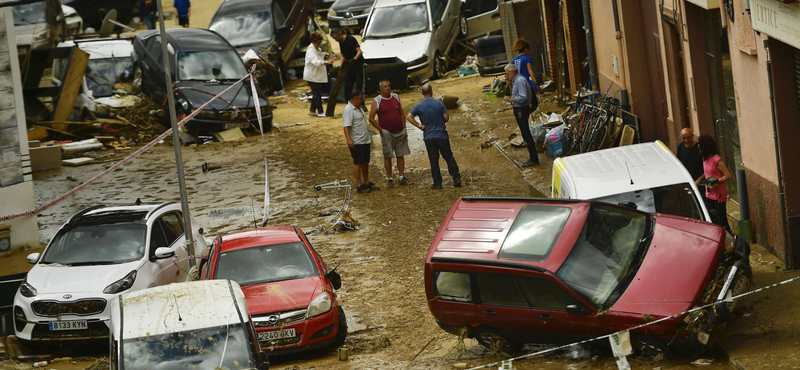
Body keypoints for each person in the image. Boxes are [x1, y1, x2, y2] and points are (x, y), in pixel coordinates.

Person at [407, 83, 461, 189]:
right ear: (432, 92)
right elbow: (446, 118)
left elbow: (409, 117)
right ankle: (456, 178)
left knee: (433, 160)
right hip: (442, 135)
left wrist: (419, 125)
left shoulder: (419, 106)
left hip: (429, 137)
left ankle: (437, 183)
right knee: (448, 157)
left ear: (422, 93)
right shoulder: (439, 103)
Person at [368, 80, 410, 185]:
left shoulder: (395, 96)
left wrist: (404, 126)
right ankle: (390, 178)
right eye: (385, 86)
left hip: (400, 130)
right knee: (388, 155)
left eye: (389, 86)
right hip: (387, 132)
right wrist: (381, 129)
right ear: (380, 88)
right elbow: (371, 118)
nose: (387, 88)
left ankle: (401, 176)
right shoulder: (376, 100)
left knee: (401, 154)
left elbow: (401, 112)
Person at [503, 64, 539, 167]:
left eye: (507, 73)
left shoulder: (519, 81)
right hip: (519, 108)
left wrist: (511, 100)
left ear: (513, 72)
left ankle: (534, 158)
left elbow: (523, 97)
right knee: (525, 133)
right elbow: (514, 92)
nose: (506, 75)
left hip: (521, 109)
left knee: (526, 134)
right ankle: (533, 157)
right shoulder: (515, 80)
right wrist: (508, 83)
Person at [696, 135, 732, 231]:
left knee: (721, 219)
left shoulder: (717, 160)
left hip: (719, 194)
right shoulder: (705, 158)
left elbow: (728, 175)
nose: (698, 147)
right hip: (709, 193)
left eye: (700, 145)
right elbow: (707, 172)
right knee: (712, 217)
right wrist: (699, 180)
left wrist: (717, 181)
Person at [343, 90, 377, 193]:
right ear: (354, 99)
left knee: (366, 162)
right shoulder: (348, 110)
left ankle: (366, 182)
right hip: (357, 141)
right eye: (360, 98)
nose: (361, 100)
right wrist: (349, 139)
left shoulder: (359, 109)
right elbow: (346, 126)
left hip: (365, 140)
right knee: (358, 163)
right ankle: (359, 184)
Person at [304, 32, 333, 117]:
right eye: (318, 43)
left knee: (317, 93)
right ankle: (320, 112)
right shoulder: (310, 51)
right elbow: (316, 62)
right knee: (317, 94)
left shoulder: (318, 49)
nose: (319, 44)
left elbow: (319, 59)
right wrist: (326, 62)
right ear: (313, 42)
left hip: (318, 75)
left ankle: (312, 110)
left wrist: (324, 58)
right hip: (313, 76)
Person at [676, 127, 708, 204]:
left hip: (701, 184)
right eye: (684, 138)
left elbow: (707, 168)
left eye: (688, 138)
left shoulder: (699, 148)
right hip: (689, 183)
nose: (686, 141)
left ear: (692, 136)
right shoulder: (680, 147)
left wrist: (698, 181)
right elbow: (679, 166)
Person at [330, 28, 363, 101]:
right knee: (348, 84)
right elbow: (343, 56)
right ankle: (349, 101)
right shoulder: (341, 43)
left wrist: (354, 59)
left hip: (358, 64)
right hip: (349, 65)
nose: (336, 40)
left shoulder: (350, 39)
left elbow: (359, 51)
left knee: (359, 84)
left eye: (336, 38)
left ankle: (361, 103)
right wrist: (340, 67)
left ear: (340, 35)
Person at [511, 38, 539, 111]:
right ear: (526, 49)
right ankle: (527, 114)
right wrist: (536, 83)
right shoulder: (527, 58)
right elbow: (530, 71)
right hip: (526, 84)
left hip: (517, 85)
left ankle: (523, 114)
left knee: (521, 102)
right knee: (534, 103)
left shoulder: (513, 60)